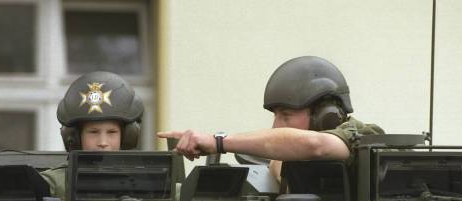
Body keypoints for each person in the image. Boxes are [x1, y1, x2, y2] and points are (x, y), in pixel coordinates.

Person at [157, 56, 384, 182]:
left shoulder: (364, 135)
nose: (276, 126)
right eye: (275, 116)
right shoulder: (291, 158)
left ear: (325, 117)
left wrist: (218, 142)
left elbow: (316, 145)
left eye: (286, 116)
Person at [41, 71, 144, 200]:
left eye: (111, 132)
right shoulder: (54, 184)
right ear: (75, 137)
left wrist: (177, 148)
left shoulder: (145, 181)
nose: (103, 142)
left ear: (127, 136)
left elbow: (177, 194)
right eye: (93, 132)